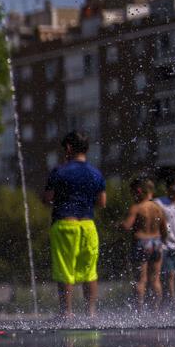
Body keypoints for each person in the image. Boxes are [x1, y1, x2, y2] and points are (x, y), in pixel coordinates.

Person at [42, 131, 106, 319]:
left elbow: (47, 199)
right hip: (88, 226)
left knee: (65, 270)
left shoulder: (59, 171)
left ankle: (66, 313)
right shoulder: (95, 173)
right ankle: (91, 313)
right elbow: (102, 202)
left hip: (65, 225)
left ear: (69, 148)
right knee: (90, 272)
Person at [120, 178, 168, 312]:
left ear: (139, 191)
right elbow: (164, 230)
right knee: (155, 280)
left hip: (141, 242)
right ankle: (156, 311)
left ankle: (139, 311)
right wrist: (163, 241)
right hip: (157, 243)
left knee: (141, 280)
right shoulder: (158, 208)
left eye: (133, 192)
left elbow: (127, 226)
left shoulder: (137, 207)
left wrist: (118, 224)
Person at [157, 172, 175, 305]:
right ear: (168, 188)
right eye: (173, 185)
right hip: (163, 245)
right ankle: (173, 303)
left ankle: (173, 302)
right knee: (170, 274)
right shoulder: (159, 203)